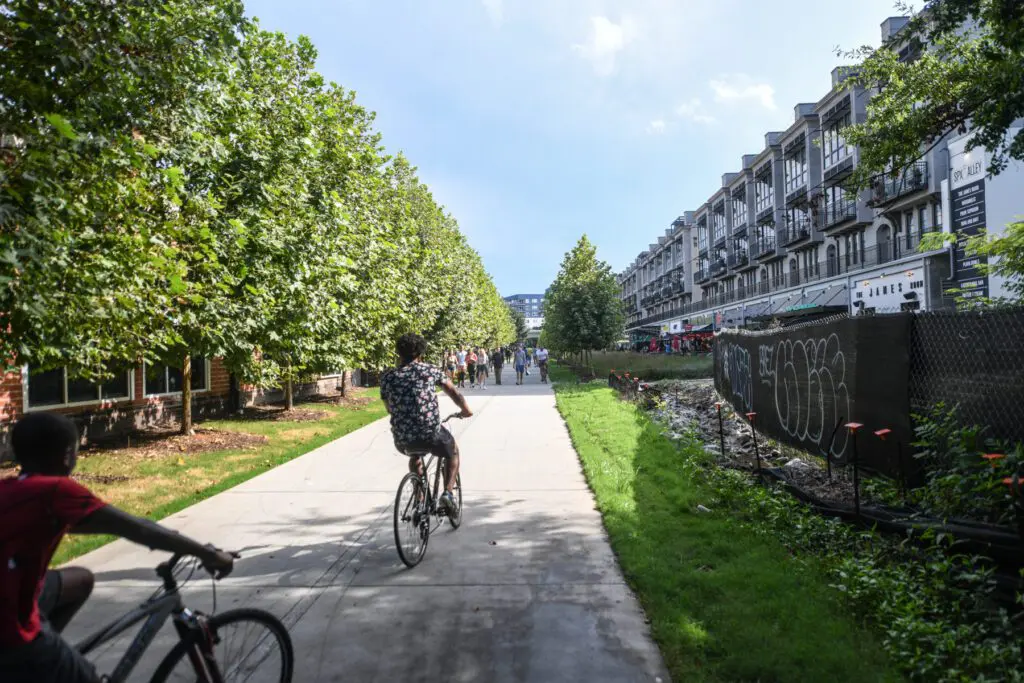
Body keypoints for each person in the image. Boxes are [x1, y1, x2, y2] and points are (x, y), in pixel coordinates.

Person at [0, 412, 234, 683]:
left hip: (16, 589)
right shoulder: (56, 491)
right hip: (9, 630)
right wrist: (210, 554)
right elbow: (137, 528)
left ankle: (50, 659)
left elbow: (115, 524)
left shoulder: (14, 490)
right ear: (67, 455)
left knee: (81, 580)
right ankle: (40, 658)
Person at [379, 333, 472, 515]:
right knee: (452, 451)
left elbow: (389, 407)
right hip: (430, 433)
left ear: (398, 352)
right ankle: (447, 494)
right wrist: (465, 410)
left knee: (415, 456)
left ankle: (419, 500)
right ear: (421, 352)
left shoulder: (388, 377)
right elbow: (454, 393)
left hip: (402, 437)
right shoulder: (430, 370)